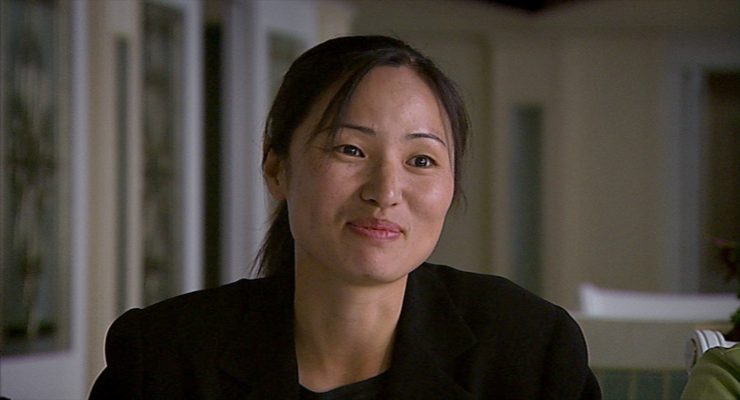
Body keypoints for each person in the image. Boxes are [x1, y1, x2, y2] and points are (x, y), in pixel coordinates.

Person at [90, 35, 601, 399]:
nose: (386, 191)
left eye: (421, 160)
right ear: (277, 170)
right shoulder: (164, 358)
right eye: (350, 149)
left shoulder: (528, 351)